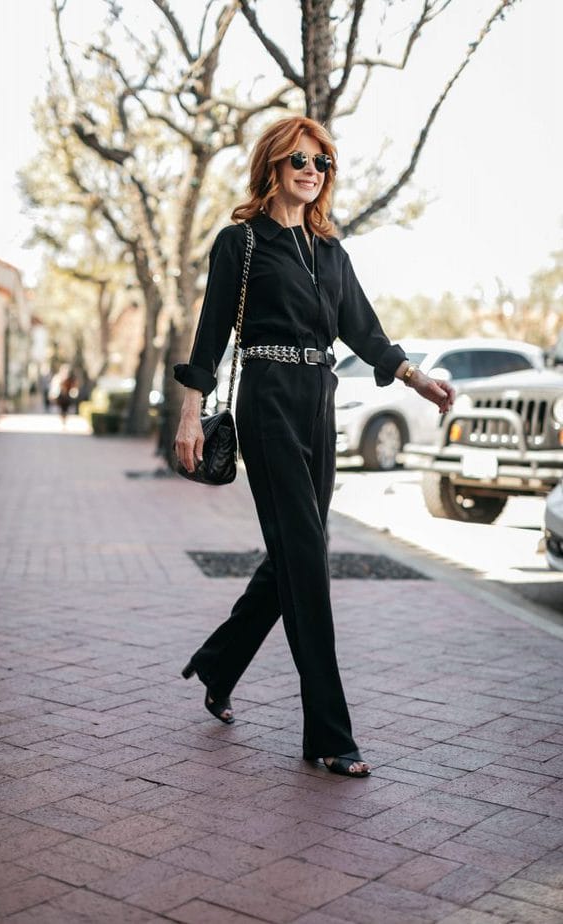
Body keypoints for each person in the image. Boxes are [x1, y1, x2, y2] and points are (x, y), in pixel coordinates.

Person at [173, 116, 454, 778]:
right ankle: (328, 732)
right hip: (266, 397)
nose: (312, 170)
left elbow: (365, 330)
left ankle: (219, 662)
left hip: (318, 402)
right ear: (274, 163)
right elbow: (210, 334)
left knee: (297, 553)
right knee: (305, 557)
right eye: (300, 158)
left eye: (322, 162)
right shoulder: (241, 243)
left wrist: (417, 380)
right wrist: (189, 415)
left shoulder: (330, 252)